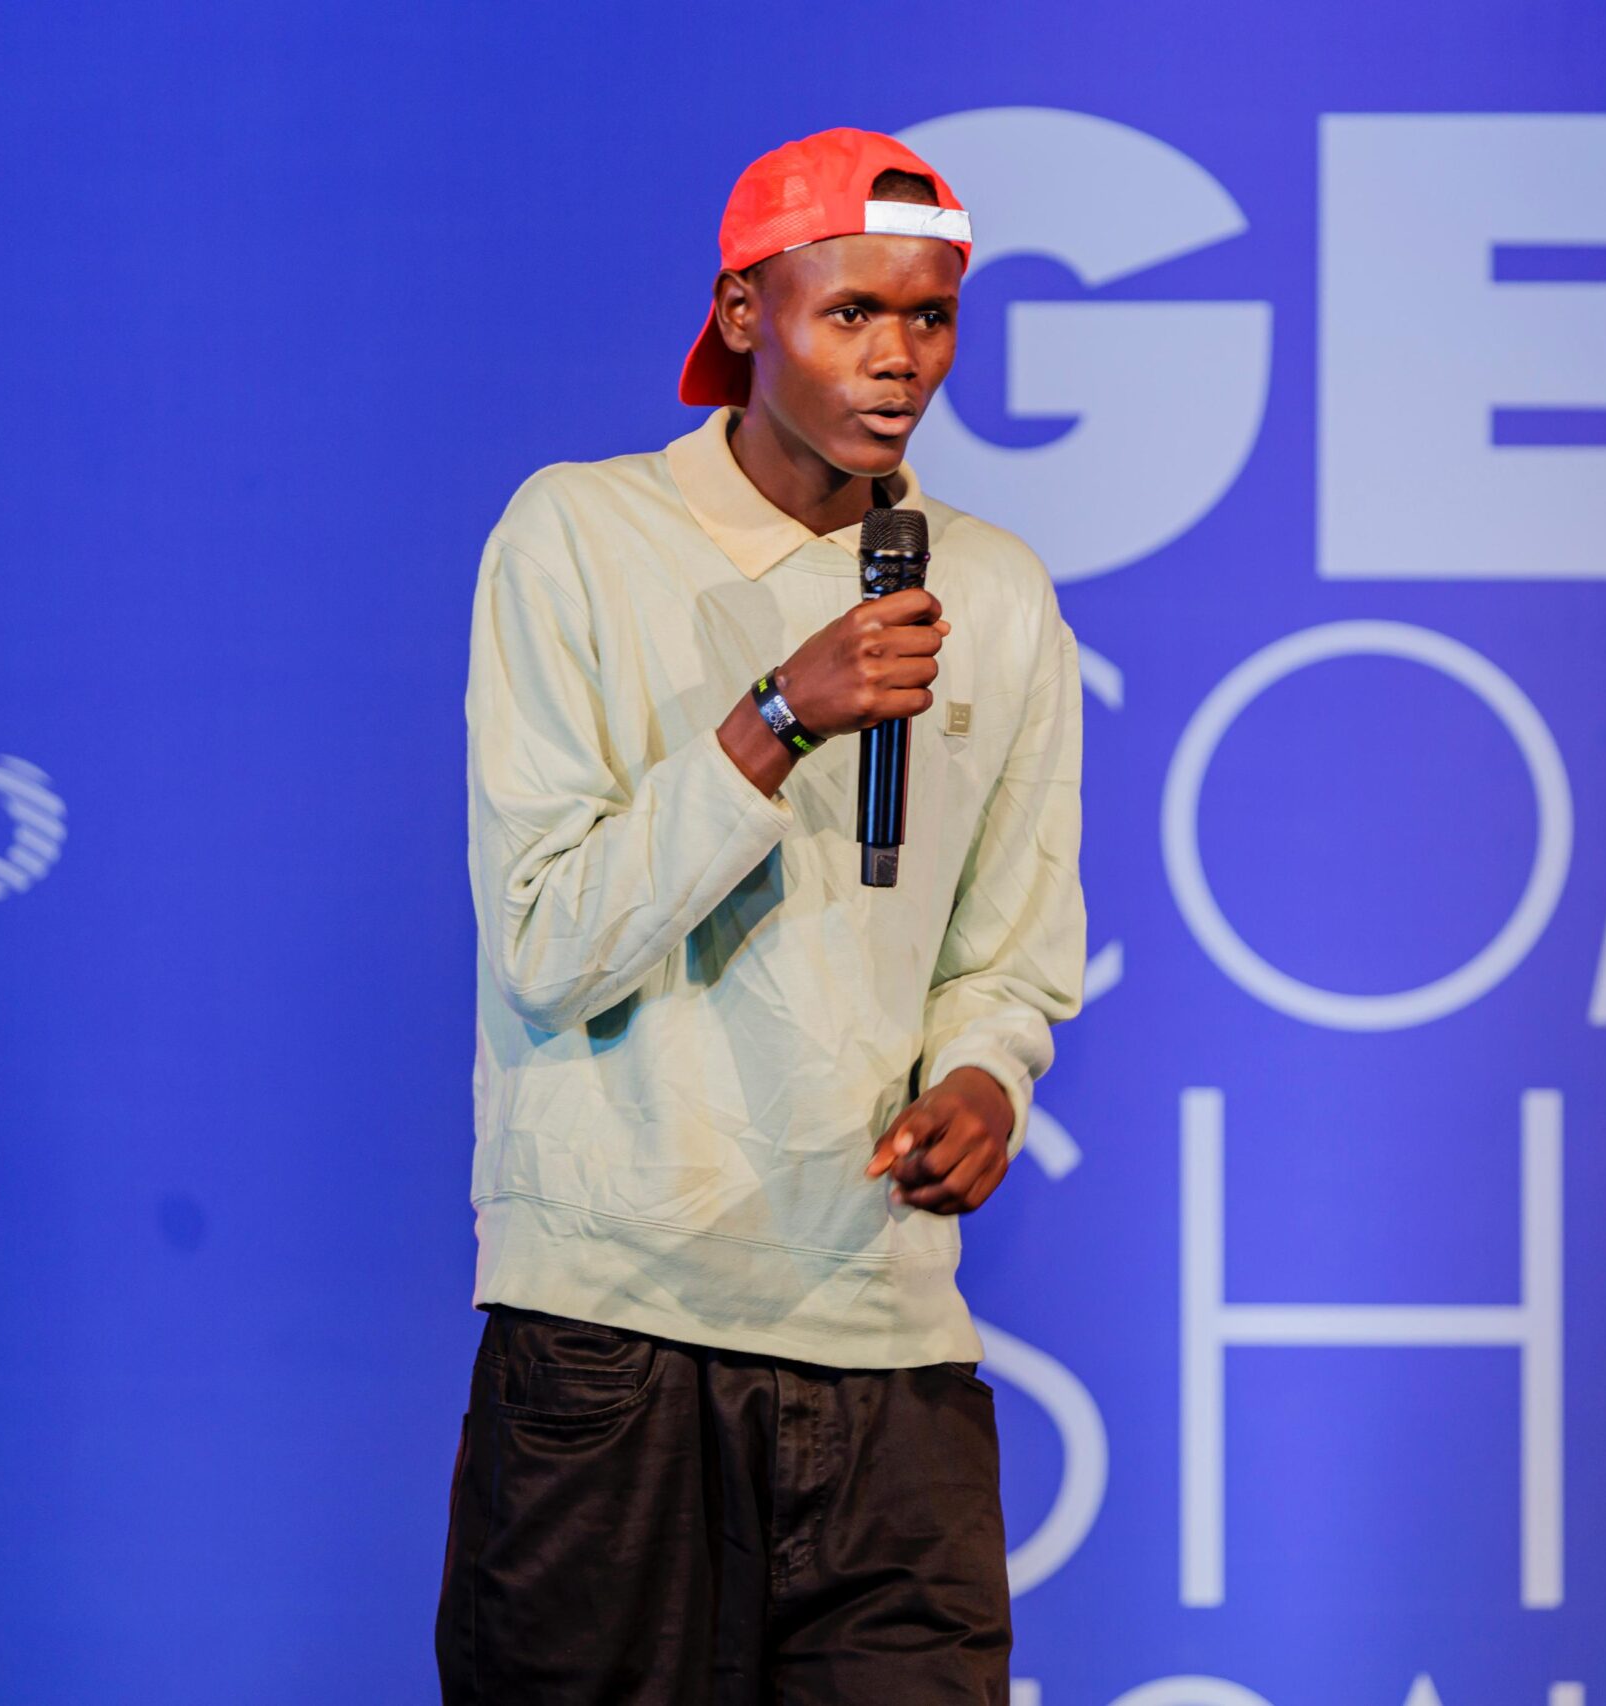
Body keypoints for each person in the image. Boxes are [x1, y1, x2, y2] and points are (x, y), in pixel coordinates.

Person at [438, 126, 1086, 1705]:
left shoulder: (996, 589)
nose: (899, 357)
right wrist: (774, 719)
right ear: (744, 314)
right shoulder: (577, 536)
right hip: (614, 1336)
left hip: (889, 1343)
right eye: (850, 311)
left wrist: (985, 1076)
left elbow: (1005, 955)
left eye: (930, 316)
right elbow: (547, 939)